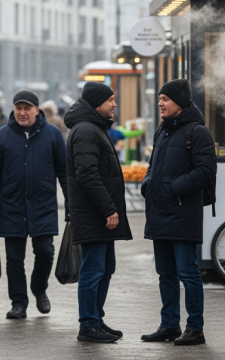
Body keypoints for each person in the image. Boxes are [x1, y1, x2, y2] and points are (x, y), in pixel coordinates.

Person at [140, 79, 217, 346]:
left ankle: (195, 328)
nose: (160, 103)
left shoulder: (196, 132)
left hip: (183, 213)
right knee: (165, 274)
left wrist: (173, 188)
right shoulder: (162, 131)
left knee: (188, 273)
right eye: (159, 98)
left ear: (180, 103)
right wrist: (148, 185)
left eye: (165, 99)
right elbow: (153, 165)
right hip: (160, 212)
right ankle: (169, 325)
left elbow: (206, 171)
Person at [0, 90, 69, 319]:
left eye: (27, 108)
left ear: (36, 110)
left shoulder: (52, 134)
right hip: (12, 205)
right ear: (14, 110)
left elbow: (64, 171)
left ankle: (39, 288)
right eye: (18, 108)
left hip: (44, 205)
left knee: (45, 251)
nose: (22, 113)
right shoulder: (2, 136)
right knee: (14, 258)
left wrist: (71, 202)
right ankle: (19, 302)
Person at [64, 82, 133, 343]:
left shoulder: (93, 128)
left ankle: (96, 318)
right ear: (97, 104)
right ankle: (88, 325)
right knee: (93, 270)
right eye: (111, 100)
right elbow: (88, 175)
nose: (115, 104)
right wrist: (108, 209)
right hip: (95, 214)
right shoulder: (85, 131)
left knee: (105, 268)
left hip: (99, 214)